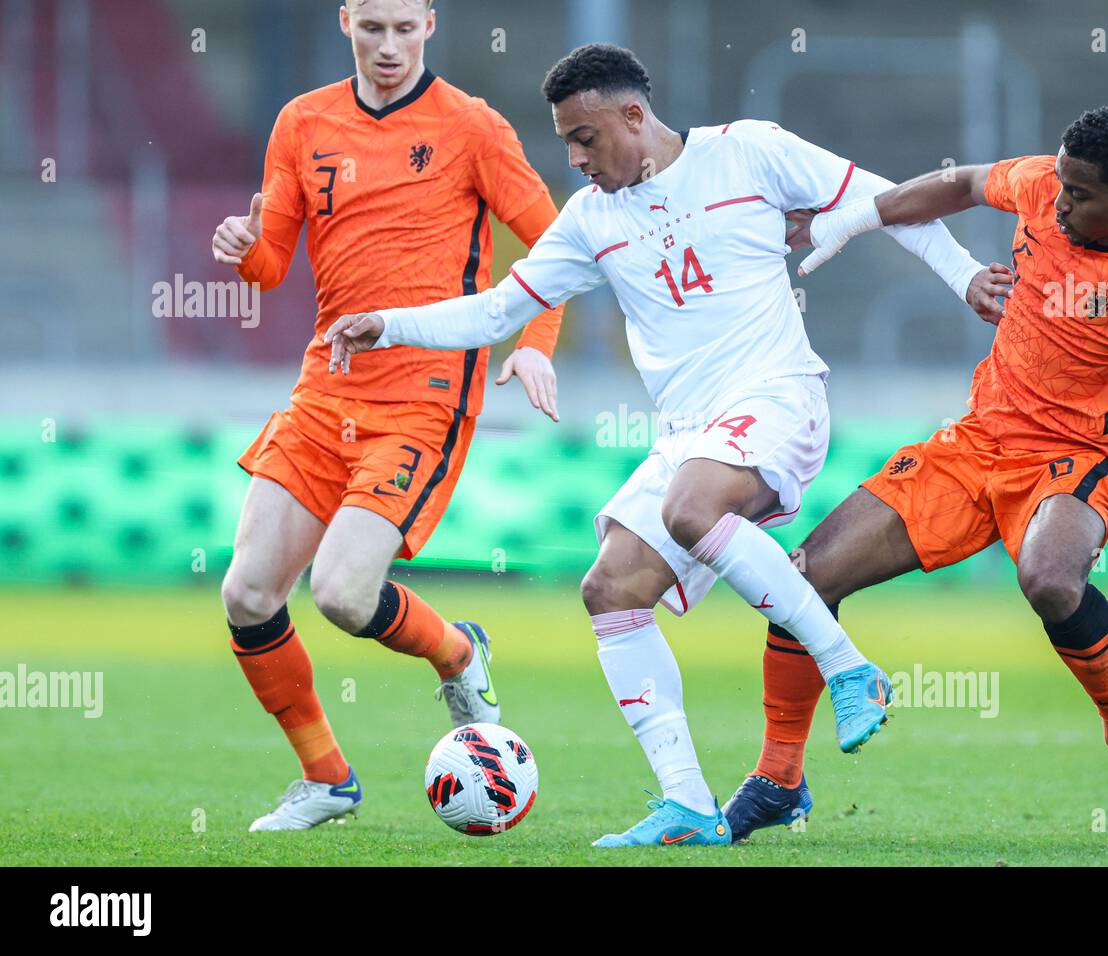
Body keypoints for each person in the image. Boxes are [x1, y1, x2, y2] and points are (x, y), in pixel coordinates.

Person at [323, 43, 1013, 847]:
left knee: (692, 507)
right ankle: (688, 804)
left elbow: (887, 202)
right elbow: (493, 313)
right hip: (689, 432)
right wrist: (387, 325)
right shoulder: (589, 220)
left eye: (585, 138)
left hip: (777, 398)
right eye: (565, 142)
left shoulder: (748, 151)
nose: (575, 158)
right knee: (610, 588)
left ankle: (850, 668)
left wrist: (964, 274)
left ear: (634, 116)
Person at [723, 104, 1108, 846]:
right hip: (976, 441)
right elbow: (962, 183)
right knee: (806, 579)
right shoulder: (1044, 185)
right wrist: (854, 221)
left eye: (1079, 195)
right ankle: (777, 779)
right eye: (1058, 184)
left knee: (1052, 583)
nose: (1058, 203)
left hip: (1073, 458)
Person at [212, 0, 564, 831]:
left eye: (405, 28)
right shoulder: (303, 121)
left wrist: (539, 340)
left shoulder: (470, 127)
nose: (389, 46)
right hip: (326, 387)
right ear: (346, 23)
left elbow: (557, 242)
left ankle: (457, 652)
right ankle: (327, 781)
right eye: (374, 27)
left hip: (423, 397)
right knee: (248, 592)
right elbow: (272, 266)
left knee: (339, 592)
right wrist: (244, 250)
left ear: (430, 25)